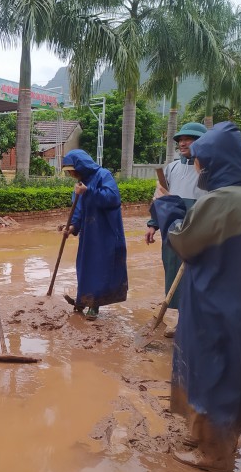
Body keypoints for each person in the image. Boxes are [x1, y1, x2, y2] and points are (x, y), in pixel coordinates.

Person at [150, 121, 241, 472]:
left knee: (210, 371)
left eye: (201, 159)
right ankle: (220, 436)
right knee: (233, 367)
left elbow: (185, 241)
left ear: (215, 161)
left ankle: (214, 453)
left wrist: (166, 204)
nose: (197, 166)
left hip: (214, 300)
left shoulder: (222, 201)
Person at [145, 122, 208, 337]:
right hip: (173, 230)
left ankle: (198, 324)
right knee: (176, 275)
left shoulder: (210, 169)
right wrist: (153, 224)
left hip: (200, 231)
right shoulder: (171, 168)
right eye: (180, 139)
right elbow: (161, 196)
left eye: (189, 138)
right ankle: (183, 322)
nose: (183, 142)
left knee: (199, 277)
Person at [59, 149, 128, 321]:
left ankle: (94, 305)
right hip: (89, 236)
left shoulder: (103, 175)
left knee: (100, 268)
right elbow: (79, 211)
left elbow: (113, 198)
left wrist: (89, 192)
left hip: (106, 233)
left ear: (80, 166)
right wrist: (72, 228)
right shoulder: (80, 184)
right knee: (84, 267)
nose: (72, 174)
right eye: (69, 172)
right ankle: (82, 299)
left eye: (72, 170)